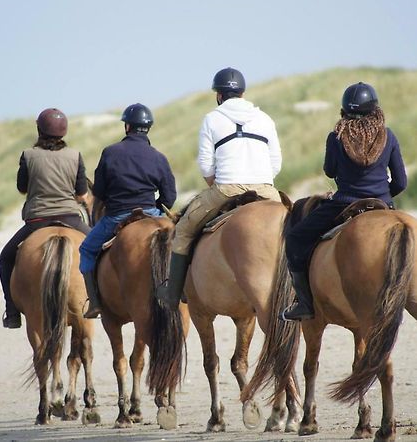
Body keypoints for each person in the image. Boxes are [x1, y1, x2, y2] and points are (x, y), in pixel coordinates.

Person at [157, 67, 283, 308]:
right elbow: (275, 161)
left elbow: (206, 165)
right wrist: (262, 180)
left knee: (183, 229)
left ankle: (173, 294)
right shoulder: (265, 118)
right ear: (243, 94)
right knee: (295, 228)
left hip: (226, 188)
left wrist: (219, 183)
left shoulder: (212, 118)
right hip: (266, 190)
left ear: (219, 95)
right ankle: (305, 292)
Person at [282, 82, 407, 321]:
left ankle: (305, 304)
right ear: (375, 109)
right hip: (383, 203)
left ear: (344, 110)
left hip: (344, 203)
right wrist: (382, 195)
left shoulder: (337, 137)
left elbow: (329, 171)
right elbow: (400, 181)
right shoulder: (388, 135)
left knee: (296, 238)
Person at [79, 103, 177, 318]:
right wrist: (155, 206)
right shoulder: (159, 157)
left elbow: (101, 192)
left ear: (127, 127)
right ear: (148, 128)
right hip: (152, 213)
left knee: (86, 250)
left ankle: (94, 303)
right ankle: (181, 293)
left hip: (117, 216)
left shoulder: (110, 152)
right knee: (182, 247)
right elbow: (170, 197)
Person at [0, 108, 91, 329]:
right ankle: (98, 301)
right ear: (64, 131)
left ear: (39, 129)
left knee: (6, 257)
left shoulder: (28, 155)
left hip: (36, 222)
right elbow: (81, 194)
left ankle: (12, 311)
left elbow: (22, 188)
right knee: (103, 249)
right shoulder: (75, 155)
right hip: (71, 218)